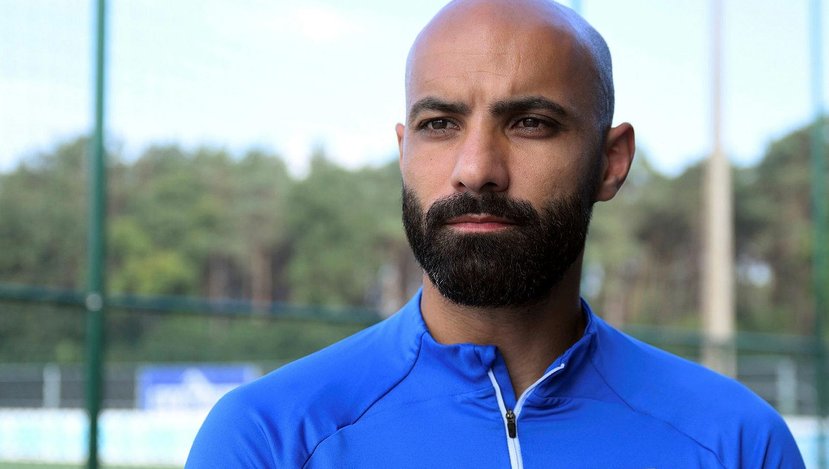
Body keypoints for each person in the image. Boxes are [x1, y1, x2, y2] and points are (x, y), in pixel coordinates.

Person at [186, 0, 805, 467]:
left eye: (531, 122)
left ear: (610, 161)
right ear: (404, 152)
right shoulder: (268, 439)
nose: (476, 168)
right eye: (439, 124)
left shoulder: (737, 443)